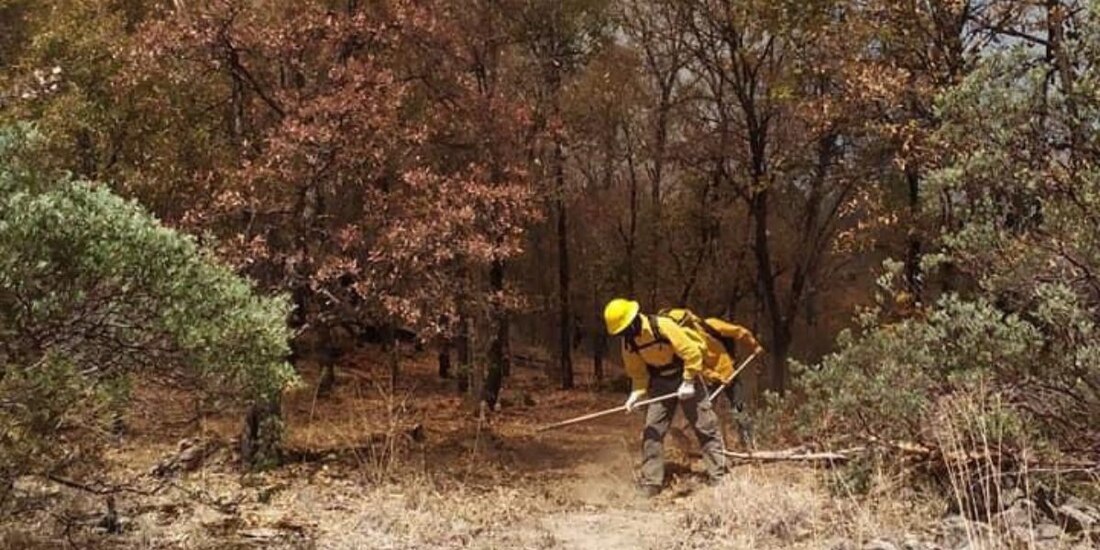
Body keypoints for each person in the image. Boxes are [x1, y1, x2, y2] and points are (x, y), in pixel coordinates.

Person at [603, 298, 726, 497]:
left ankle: (718, 477)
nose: (624, 335)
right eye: (620, 332)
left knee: (705, 426)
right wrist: (636, 394)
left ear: (634, 320)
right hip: (660, 382)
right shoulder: (629, 344)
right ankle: (651, 482)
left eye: (625, 329)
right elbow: (639, 374)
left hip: (686, 373)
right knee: (652, 431)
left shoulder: (662, 326)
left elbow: (692, 353)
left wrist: (687, 381)